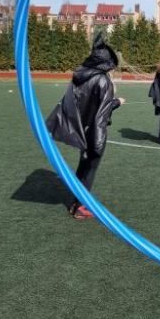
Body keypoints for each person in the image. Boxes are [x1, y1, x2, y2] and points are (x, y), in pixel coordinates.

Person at [45, 35, 125, 220]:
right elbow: (100, 115)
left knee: (83, 166)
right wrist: (97, 143)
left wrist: (113, 102)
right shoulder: (103, 81)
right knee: (89, 169)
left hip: (81, 128)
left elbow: (87, 103)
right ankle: (79, 207)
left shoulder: (82, 75)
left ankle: (76, 203)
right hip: (93, 132)